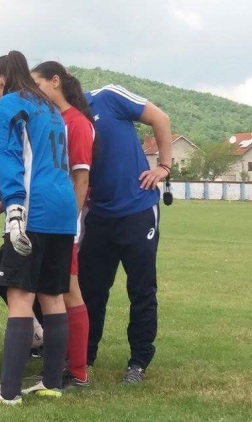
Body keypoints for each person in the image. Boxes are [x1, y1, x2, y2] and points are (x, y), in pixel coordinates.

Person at [0, 51, 77, 405]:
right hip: (63, 209)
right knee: (52, 296)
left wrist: (14, 208)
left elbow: (8, 157)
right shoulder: (51, 107)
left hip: (33, 207)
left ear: (0, 80)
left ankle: (9, 391)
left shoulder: (9, 105)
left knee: (20, 297)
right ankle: (51, 382)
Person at [79, 84, 172, 384]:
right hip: (99, 214)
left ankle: (138, 362)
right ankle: (84, 357)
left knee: (141, 289)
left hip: (137, 209)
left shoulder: (107, 97)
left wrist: (164, 166)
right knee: (90, 289)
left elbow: (161, 118)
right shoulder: (62, 117)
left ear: (58, 82)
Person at [28, 61, 95, 388]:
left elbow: (81, 178)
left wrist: (72, 221)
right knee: (51, 291)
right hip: (48, 220)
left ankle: (78, 370)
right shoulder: (50, 118)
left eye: (37, 84)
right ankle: (64, 363)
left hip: (63, 223)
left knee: (69, 291)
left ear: (55, 81)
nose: (34, 92)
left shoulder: (77, 123)